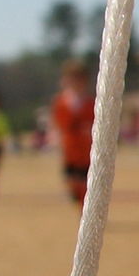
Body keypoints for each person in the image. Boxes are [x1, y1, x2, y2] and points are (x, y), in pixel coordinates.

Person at [51, 59, 96, 208]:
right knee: (72, 183)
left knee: (86, 184)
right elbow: (57, 124)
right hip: (70, 149)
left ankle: (85, 213)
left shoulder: (92, 103)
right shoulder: (61, 102)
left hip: (86, 150)